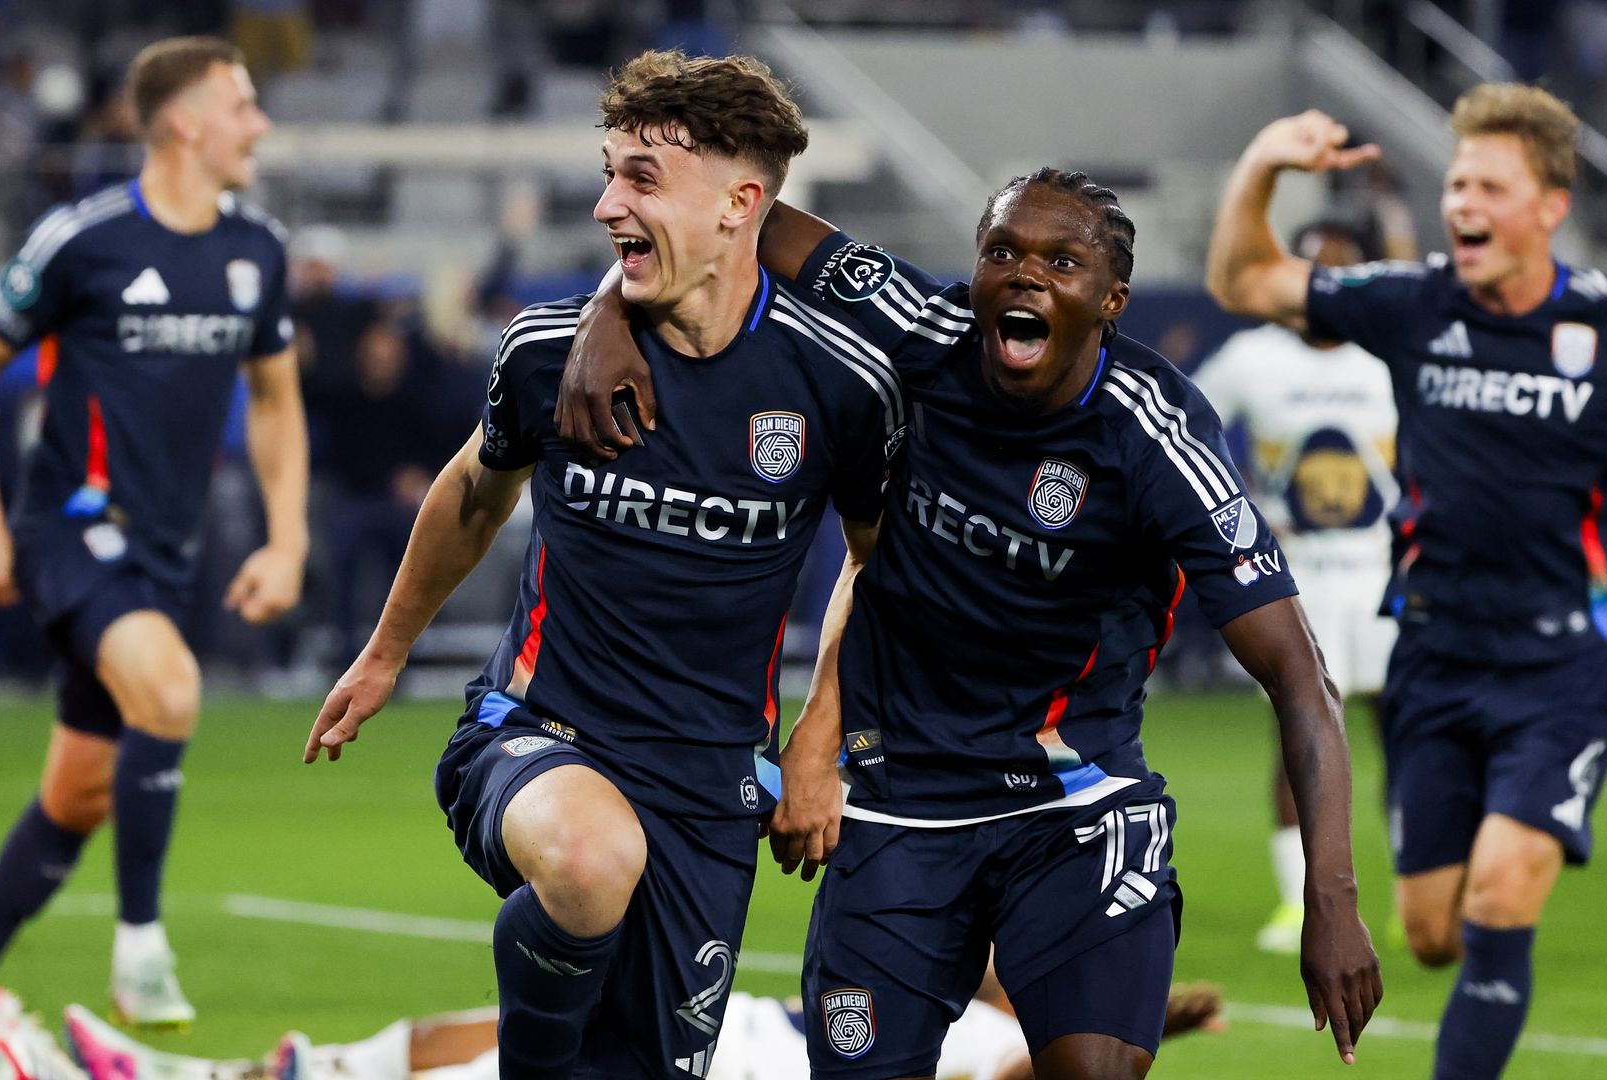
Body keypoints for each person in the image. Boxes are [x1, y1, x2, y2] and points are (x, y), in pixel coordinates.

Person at [559, 169, 1383, 1078]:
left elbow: (1300, 677)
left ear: (1111, 301)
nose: (1025, 276)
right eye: (1002, 253)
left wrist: (1331, 899)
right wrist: (606, 307)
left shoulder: (1154, 438)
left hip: (1072, 807)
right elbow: (733, 219)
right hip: (897, 807)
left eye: (1061, 262)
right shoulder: (922, 328)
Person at [1205, 85, 1607, 1080]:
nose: (1464, 202)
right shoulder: (1414, 303)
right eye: (1457, 182)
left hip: (1560, 665)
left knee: (1501, 896)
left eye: (1489, 185)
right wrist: (1264, 166)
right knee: (1430, 932)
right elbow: (1245, 280)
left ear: (1547, 206)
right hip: (1434, 657)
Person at [300, 51, 894, 1080]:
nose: (606, 202)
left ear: (739, 204)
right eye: (610, 172)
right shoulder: (546, 352)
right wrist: (387, 651)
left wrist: (817, 746)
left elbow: (876, 564)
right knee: (590, 858)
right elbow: (476, 491)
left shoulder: (839, 382)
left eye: (643, 180)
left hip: (710, 788)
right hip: (534, 734)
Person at [0, 36, 305, 1028]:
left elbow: (276, 400)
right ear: (185, 122)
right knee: (174, 686)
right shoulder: (84, 238)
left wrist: (286, 537)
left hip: (166, 560)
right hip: (71, 529)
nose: (258, 124)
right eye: (242, 105)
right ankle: (140, 950)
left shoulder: (256, 251)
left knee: (81, 791)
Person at [1193, 220, 1398, 955]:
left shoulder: (1392, 355)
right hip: (1295, 582)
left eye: (1340, 275)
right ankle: (1295, 902)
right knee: (1299, 734)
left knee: (1402, 733)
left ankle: (1415, 889)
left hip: (1386, 574)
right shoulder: (1254, 358)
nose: (1324, 289)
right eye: (1313, 271)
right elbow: (1187, 422)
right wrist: (1235, 506)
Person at [59, 975, 1225, 1080]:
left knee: (449, 1066)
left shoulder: (1000, 1050)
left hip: (726, 1064)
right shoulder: (957, 1005)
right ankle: (203, 1071)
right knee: (430, 1040)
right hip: (719, 1027)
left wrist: (1137, 1020)